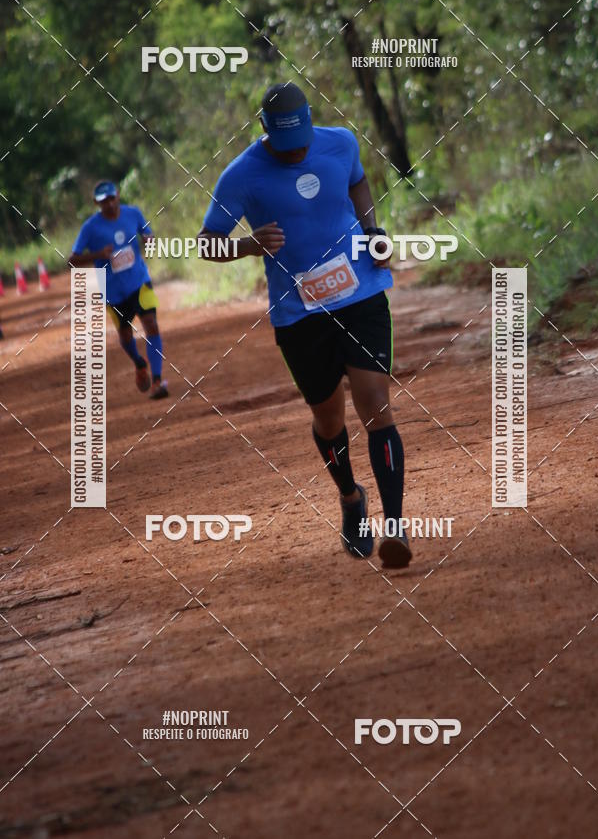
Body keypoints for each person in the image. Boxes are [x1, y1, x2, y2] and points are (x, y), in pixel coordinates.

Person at [197, 83, 411, 568]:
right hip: (300, 317)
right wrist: (249, 246)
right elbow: (207, 243)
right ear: (265, 132)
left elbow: (357, 182)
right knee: (330, 420)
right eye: (287, 144)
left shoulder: (340, 142)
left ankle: (395, 526)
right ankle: (350, 497)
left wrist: (372, 228)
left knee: (376, 405)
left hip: (361, 292)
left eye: (303, 140)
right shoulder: (241, 176)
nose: (298, 150)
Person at [69, 181, 168, 400]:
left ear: (118, 195)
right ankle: (139, 362)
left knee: (151, 324)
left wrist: (149, 241)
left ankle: (158, 380)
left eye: (112, 198)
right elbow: (72, 260)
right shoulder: (90, 228)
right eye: (104, 202)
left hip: (139, 281)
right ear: (97, 203)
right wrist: (97, 255)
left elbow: (148, 234)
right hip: (113, 292)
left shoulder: (133, 213)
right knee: (125, 336)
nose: (110, 204)